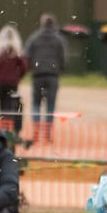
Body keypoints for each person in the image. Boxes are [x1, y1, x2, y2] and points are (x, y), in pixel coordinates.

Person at [25, 13, 68, 145]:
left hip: (37, 75)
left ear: (42, 24)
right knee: (50, 106)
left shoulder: (34, 38)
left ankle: (36, 133)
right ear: (53, 24)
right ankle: (47, 134)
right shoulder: (59, 39)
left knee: (36, 104)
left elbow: (26, 55)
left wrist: (32, 68)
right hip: (52, 76)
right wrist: (60, 68)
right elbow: (63, 57)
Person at [0, 24, 26, 136]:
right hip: (13, 83)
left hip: (1, 82)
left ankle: (3, 129)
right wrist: (18, 76)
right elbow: (24, 66)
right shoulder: (17, 50)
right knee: (12, 105)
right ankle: (12, 131)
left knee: (2, 106)